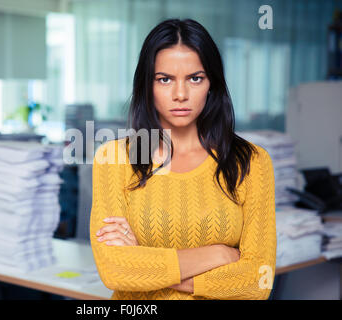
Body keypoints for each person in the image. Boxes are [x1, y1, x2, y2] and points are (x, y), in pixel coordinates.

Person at [89, 18, 276, 300]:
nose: (180, 95)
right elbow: (114, 270)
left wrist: (145, 262)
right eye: (165, 79)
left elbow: (258, 281)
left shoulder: (252, 162)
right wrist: (219, 254)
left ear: (211, 84)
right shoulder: (114, 159)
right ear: (147, 85)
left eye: (195, 78)